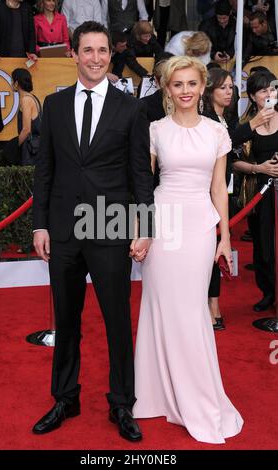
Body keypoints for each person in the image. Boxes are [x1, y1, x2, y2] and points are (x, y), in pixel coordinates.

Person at [32, 20, 154, 441]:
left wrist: (146, 227)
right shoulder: (55, 105)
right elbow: (44, 169)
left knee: (117, 322)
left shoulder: (131, 108)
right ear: (73, 53)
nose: (97, 58)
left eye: (103, 50)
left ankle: (122, 404)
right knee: (66, 322)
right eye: (88, 50)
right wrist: (41, 224)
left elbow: (141, 173)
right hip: (64, 232)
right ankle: (65, 397)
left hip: (111, 228)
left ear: (110, 54)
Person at [133, 55, 244, 444]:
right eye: (177, 84)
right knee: (158, 304)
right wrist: (141, 230)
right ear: (166, 89)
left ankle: (195, 395)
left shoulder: (217, 133)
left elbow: (218, 189)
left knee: (190, 308)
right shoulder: (154, 130)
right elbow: (144, 186)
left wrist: (225, 237)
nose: (185, 91)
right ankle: (156, 394)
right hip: (162, 224)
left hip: (199, 225)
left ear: (202, 87)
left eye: (191, 84)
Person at [233, 71, 278, 312]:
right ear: (252, 96)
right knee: (263, 244)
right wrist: (258, 167)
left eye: (272, 89)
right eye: (263, 91)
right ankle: (268, 292)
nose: (269, 94)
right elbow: (231, 160)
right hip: (258, 192)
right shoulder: (245, 126)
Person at [202, 67, 236, 331]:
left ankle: (212, 301)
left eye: (232, 87)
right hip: (206, 196)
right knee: (208, 253)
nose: (229, 92)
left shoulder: (228, 117)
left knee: (218, 250)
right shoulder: (206, 121)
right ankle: (211, 303)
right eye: (223, 87)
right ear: (210, 90)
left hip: (227, 192)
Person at [11, 68, 42, 166]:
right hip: (35, 146)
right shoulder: (32, 97)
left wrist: (15, 147)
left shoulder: (26, 100)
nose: (10, 84)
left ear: (16, 83)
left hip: (30, 149)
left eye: (12, 81)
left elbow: (26, 129)